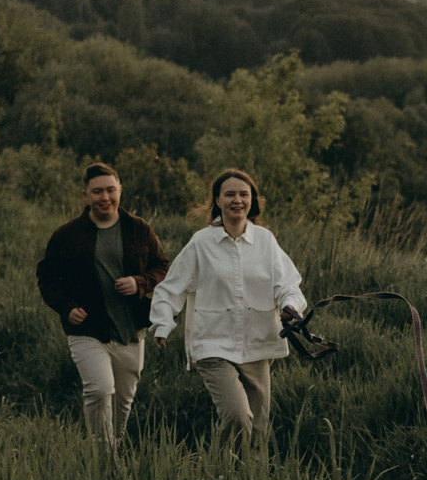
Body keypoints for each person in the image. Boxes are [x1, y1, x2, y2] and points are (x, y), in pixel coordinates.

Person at [149, 167, 308, 441]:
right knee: (237, 417)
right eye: (230, 194)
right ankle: (221, 475)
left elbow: (287, 285)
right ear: (218, 201)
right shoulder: (202, 243)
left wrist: (290, 306)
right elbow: (171, 288)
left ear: (252, 201)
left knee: (258, 429)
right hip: (213, 344)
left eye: (244, 194)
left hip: (258, 343)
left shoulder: (266, 241)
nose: (238, 200)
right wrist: (163, 324)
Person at [34, 163, 171, 444]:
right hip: (88, 329)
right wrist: (66, 307)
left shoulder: (139, 229)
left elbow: (163, 267)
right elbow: (47, 276)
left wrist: (140, 282)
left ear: (120, 190)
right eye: (97, 191)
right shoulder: (68, 234)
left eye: (110, 190)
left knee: (123, 400)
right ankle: (101, 454)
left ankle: (115, 449)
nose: (105, 197)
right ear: (85, 194)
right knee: (99, 389)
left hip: (131, 329)